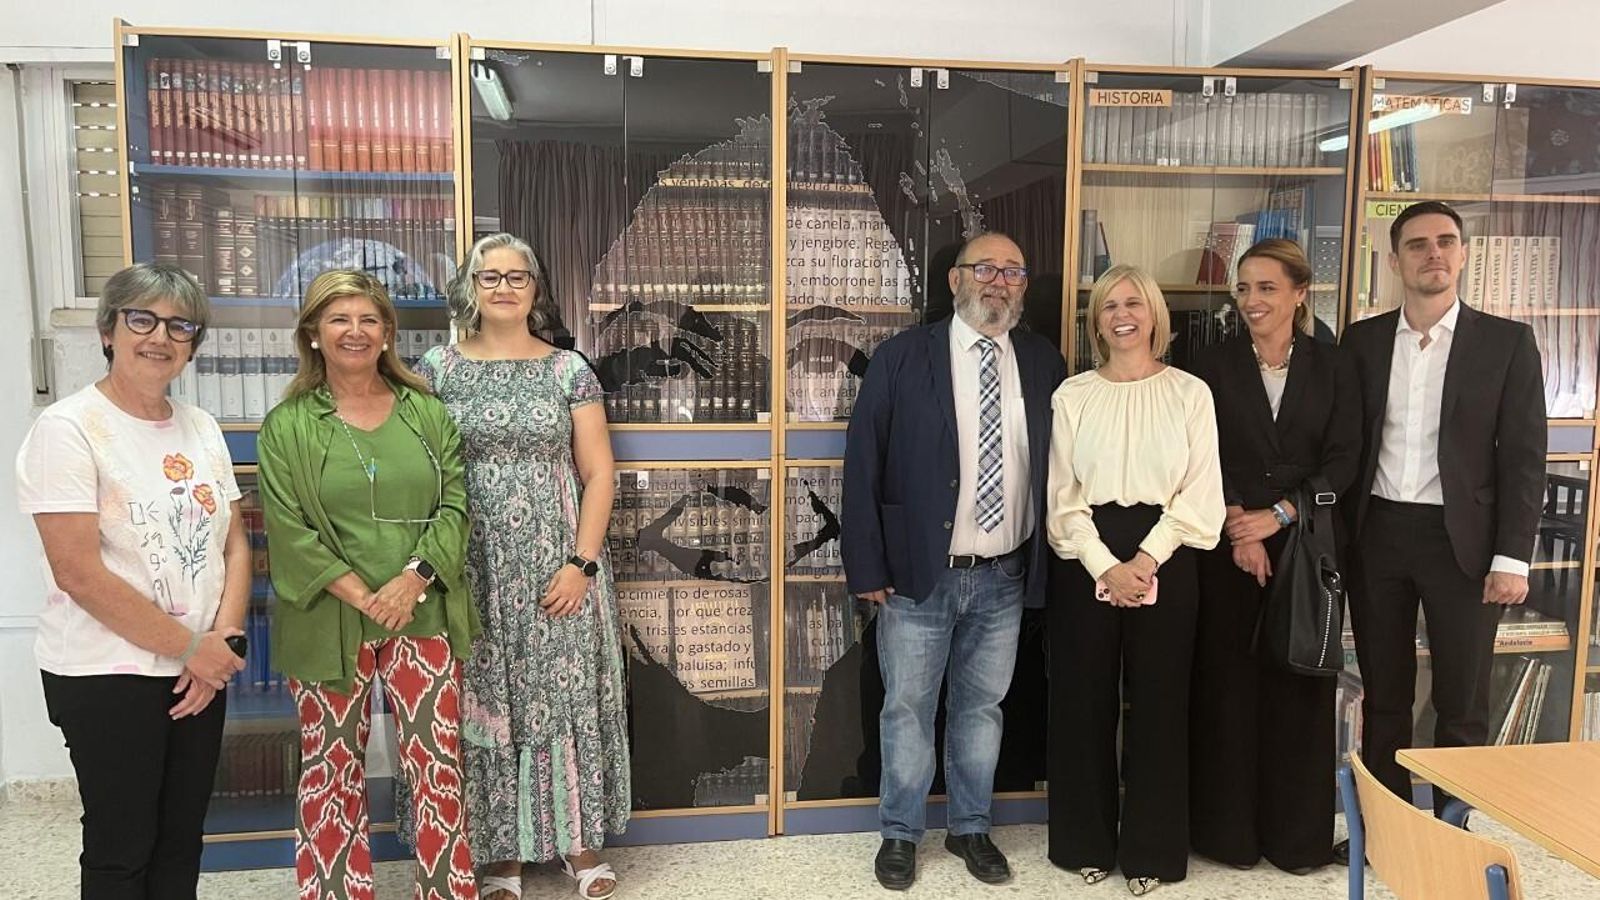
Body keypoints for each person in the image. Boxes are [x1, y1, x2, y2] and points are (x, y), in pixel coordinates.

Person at [16, 262, 248, 900]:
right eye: (141, 319)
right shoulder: (67, 429)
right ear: (108, 330)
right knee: (123, 849)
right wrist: (190, 647)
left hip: (198, 670)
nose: (160, 336)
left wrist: (221, 642)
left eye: (180, 325)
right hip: (106, 675)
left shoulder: (199, 426)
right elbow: (79, 574)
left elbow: (231, 537)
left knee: (180, 842)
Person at [843, 231, 1067, 891]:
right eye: (986, 268)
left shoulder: (1042, 361)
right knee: (907, 708)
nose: (999, 282)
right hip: (919, 575)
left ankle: (971, 827)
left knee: (982, 709)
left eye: (1015, 272)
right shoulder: (904, 357)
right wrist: (868, 567)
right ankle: (900, 833)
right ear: (955, 280)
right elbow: (863, 464)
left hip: (1003, 574)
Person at [416, 233, 630, 900]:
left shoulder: (569, 370)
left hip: (557, 568)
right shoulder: (435, 370)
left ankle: (577, 841)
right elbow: (419, 470)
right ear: (469, 289)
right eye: (490, 276)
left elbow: (599, 474)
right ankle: (500, 851)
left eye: (517, 276)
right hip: (470, 568)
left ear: (536, 290)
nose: (504, 287)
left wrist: (582, 563)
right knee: (486, 702)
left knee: (563, 697)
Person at [257, 269, 479, 899]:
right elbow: (290, 530)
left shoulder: (428, 414)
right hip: (330, 619)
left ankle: (445, 891)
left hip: (424, 613)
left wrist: (411, 582)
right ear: (313, 334)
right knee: (329, 770)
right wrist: (366, 595)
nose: (354, 331)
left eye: (367, 320)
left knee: (436, 769)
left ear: (387, 333)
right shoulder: (288, 425)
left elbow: (456, 506)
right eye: (338, 319)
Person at [1336, 201, 1546, 858]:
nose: (1434, 254)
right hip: (1379, 536)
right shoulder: (1363, 341)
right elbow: (1348, 444)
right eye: (1418, 245)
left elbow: (1522, 456)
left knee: (1462, 701)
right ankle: (1386, 836)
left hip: (1467, 546)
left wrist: (1513, 556)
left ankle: (1454, 837)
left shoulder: (1506, 342)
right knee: (1386, 695)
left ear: (1462, 255)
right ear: (1394, 260)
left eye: (1446, 243)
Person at [1045, 264, 1224, 896]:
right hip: (1085, 554)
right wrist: (1105, 566)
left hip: (1168, 556)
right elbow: (1062, 498)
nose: (1122, 314)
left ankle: (1151, 849)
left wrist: (1144, 562)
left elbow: (1202, 496)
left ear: (1153, 314)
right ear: (1096, 321)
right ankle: (1083, 843)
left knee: (1159, 705)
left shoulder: (1189, 393)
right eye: (1108, 305)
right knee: (1082, 703)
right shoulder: (1072, 396)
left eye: (1133, 302)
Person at [1187, 239, 1361, 874]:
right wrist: (1242, 524)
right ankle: (1228, 836)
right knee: (1228, 688)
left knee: (1299, 689)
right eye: (1243, 289)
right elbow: (1199, 450)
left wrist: (1282, 514)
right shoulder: (1210, 364)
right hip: (1227, 542)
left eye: (1266, 288)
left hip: (1307, 545)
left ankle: (1296, 840)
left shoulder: (1336, 367)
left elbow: (1345, 458)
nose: (1252, 301)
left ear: (1298, 293)